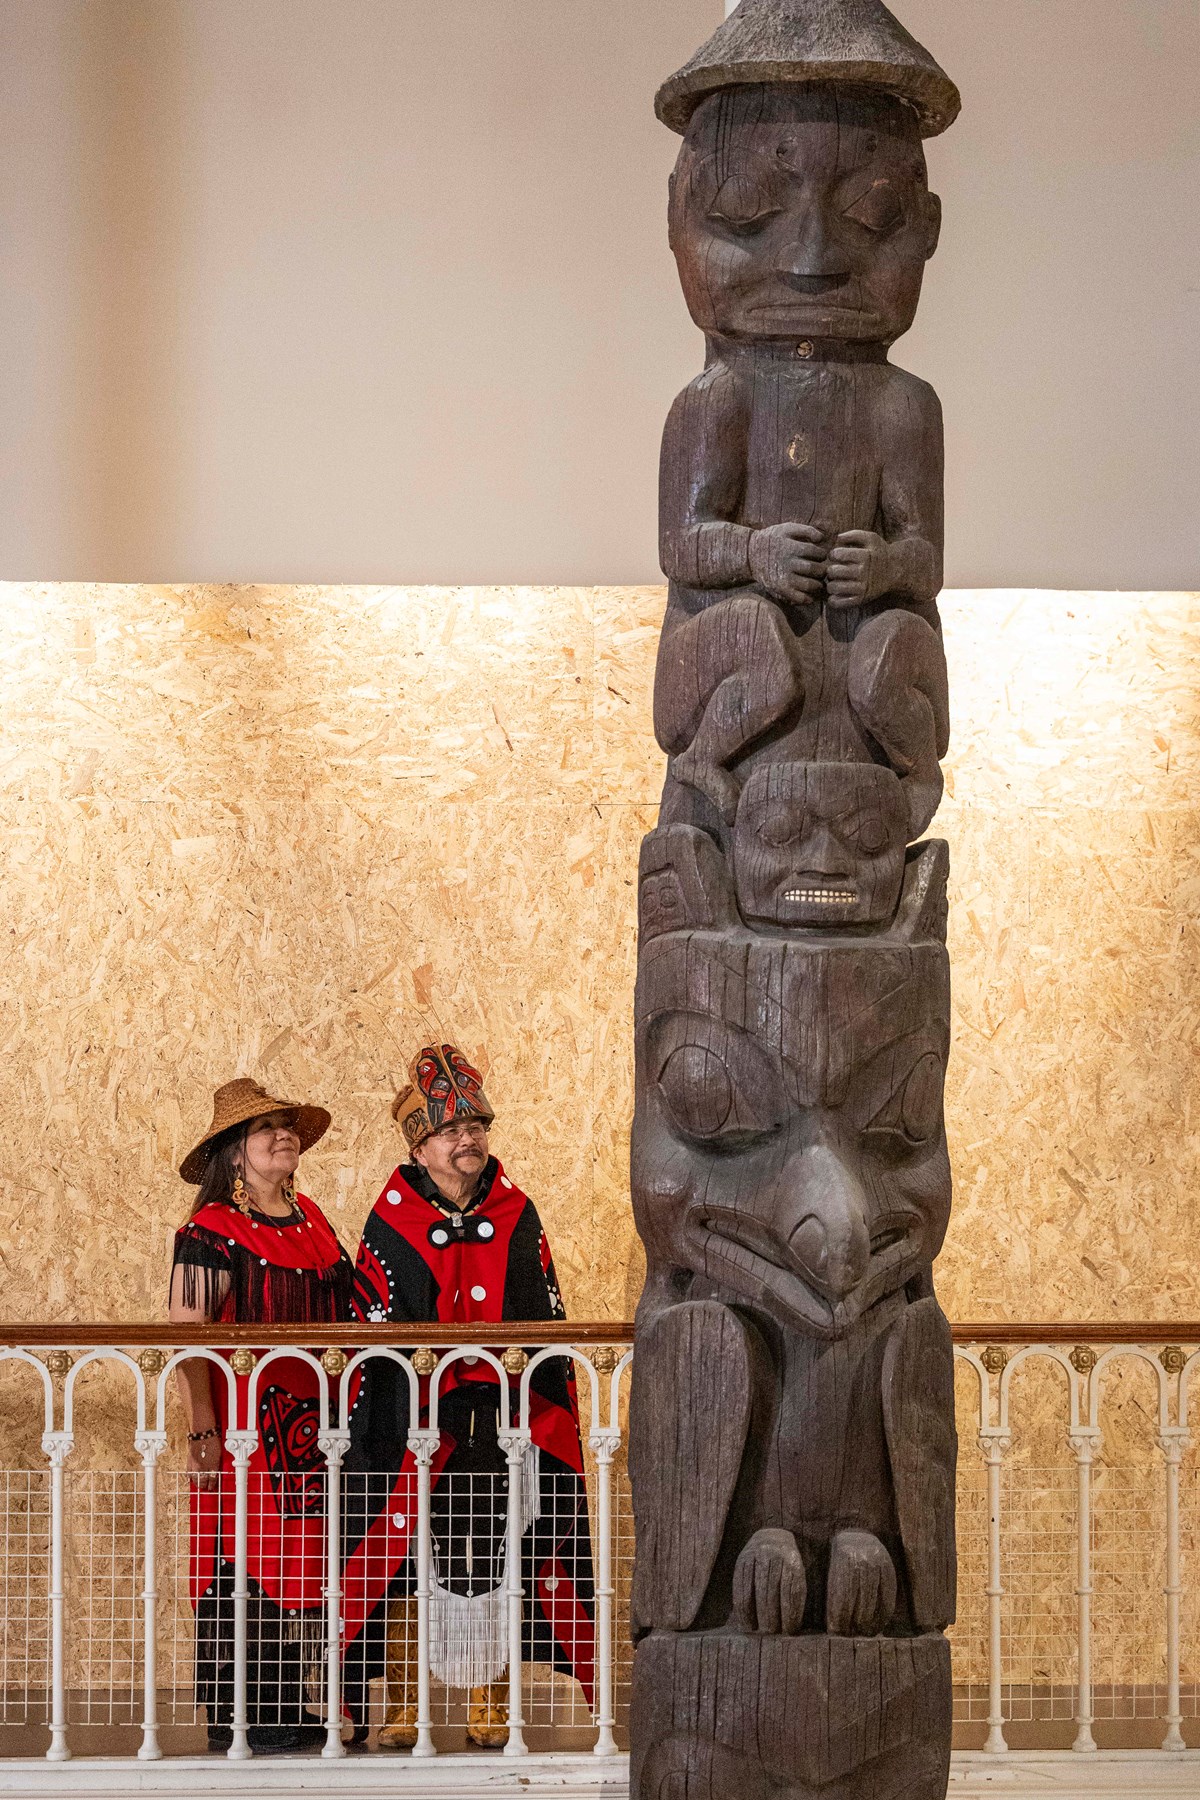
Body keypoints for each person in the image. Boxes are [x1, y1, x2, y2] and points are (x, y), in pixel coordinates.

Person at [340, 1044, 595, 1751]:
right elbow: (373, 1333)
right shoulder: (390, 1218)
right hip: (414, 1424)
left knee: (495, 1557)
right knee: (403, 1565)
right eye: (453, 1132)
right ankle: (403, 1706)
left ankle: (492, 1705)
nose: (470, 1141)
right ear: (421, 1146)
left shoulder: (517, 1210)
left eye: (476, 1128)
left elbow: (543, 1316)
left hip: (499, 1424)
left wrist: (537, 1405)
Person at [169, 1078, 355, 1755]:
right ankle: (242, 1709)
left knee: (304, 1559)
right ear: (233, 1153)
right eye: (265, 1128)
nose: (285, 1135)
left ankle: (293, 1700)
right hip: (247, 1428)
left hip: (314, 1428)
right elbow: (184, 1337)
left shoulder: (315, 1224)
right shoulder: (208, 1231)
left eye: (288, 1125)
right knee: (244, 1557)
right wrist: (202, 1427)